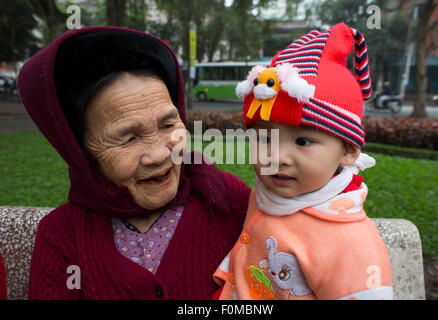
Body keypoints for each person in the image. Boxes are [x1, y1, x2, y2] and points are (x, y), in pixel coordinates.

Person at [17, 26, 250, 299]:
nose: (160, 154)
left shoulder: (227, 200)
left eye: (168, 124)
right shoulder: (63, 236)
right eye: (128, 139)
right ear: (81, 151)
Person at [213, 23, 393, 300]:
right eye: (265, 139)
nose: (277, 157)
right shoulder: (268, 193)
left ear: (348, 150)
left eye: (302, 142)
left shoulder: (349, 243)